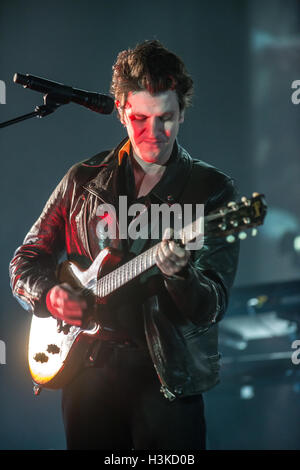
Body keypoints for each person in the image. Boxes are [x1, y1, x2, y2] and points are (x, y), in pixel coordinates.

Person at [9, 40, 239, 450]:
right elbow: (25, 260)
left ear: (183, 112)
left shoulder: (212, 191)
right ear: (120, 111)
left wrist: (181, 274)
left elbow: (212, 306)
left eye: (166, 118)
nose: (154, 133)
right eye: (140, 118)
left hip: (167, 379)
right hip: (87, 373)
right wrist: (50, 296)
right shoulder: (82, 180)